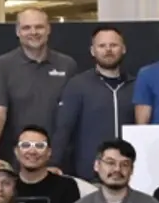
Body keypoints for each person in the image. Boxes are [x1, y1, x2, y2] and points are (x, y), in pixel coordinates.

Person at [0, 7, 78, 163]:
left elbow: (72, 117)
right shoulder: (3, 65)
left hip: (57, 161)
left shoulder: (67, 65)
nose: (33, 32)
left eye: (39, 27)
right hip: (15, 160)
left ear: (48, 29)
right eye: (26, 27)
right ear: (17, 31)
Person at [53, 26, 129, 179]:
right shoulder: (77, 85)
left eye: (113, 45)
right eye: (102, 46)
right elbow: (64, 128)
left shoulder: (136, 85)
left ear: (123, 49)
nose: (108, 50)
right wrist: (53, 163)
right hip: (89, 175)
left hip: (129, 173)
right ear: (93, 51)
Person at [8, 126, 82, 203]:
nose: (32, 151)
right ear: (16, 151)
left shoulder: (67, 187)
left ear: (49, 152)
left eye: (40, 146)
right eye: (26, 145)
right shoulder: (6, 187)